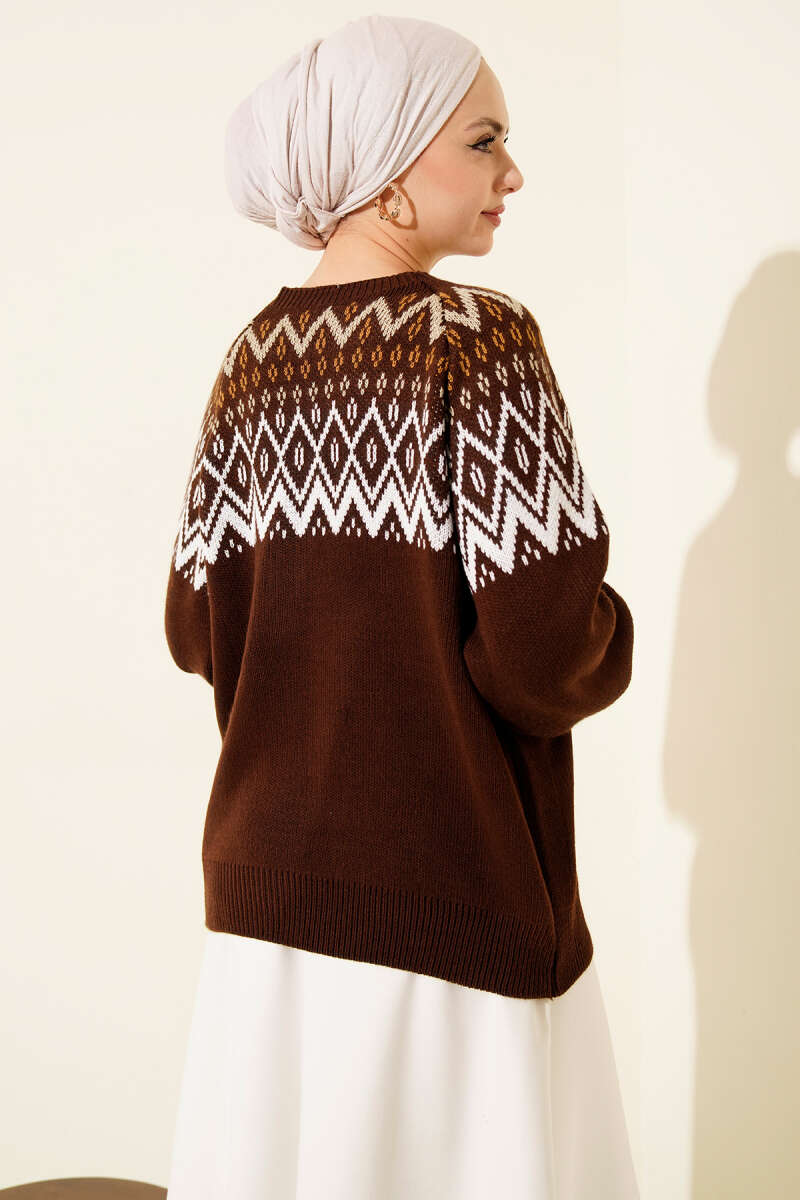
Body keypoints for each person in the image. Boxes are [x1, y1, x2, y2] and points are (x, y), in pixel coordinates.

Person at [163, 14, 640, 1199]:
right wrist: (607, 628)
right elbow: (541, 654)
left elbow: (195, 627)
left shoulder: (251, 361)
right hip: (449, 910)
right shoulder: (477, 342)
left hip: (265, 915)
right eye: (482, 142)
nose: (511, 173)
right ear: (385, 171)